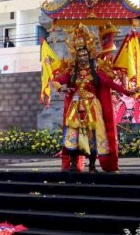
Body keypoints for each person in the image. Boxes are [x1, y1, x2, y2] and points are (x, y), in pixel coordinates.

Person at [53, 24, 140, 172]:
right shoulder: (71, 72)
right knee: (73, 134)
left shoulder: (97, 72)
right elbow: (56, 81)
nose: (82, 58)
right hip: (75, 107)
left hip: (92, 106)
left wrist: (128, 92)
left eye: (84, 55)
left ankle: (92, 165)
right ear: (76, 56)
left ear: (89, 55)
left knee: (92, 135)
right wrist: (61, 87)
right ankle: (74, 164)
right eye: (79, 55)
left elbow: (110, 83)